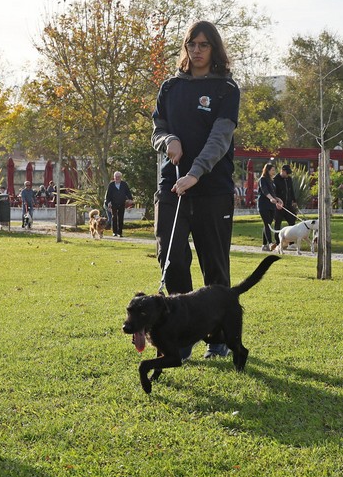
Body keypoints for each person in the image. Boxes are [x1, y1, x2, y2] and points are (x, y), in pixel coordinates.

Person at [152, 20, 240, 361]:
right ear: (185, 48)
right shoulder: (170, 87)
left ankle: (218, 338)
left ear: (214, 49)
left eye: (204, 45)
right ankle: (182, 334)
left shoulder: (226, 89)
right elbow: (158, 128)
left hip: (212, 189)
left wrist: (196, 173)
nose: (198, 50)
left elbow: (220, 139)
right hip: (171, 187)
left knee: (214, 265)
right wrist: (168, 140)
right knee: (171, 258)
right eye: (192, 44)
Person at [257, 163, 282, 249]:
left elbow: (273, 193)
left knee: (268, 224)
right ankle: (270, 243)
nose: (274, 172)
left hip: (271, 205)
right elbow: (265, 191)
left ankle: (264, 245)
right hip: (263, 205)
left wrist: (278, 199)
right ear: (267, 170)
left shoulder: (272, 181)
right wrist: (271, 198)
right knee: (267, 224)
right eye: (272, 170)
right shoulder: (262, 179)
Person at [104, 171, 134, 237]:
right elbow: (108, 195)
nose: (117, 178)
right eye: (116, 177)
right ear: (114, 177)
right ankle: (114, 232)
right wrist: (108, 202)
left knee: (121, 218)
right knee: (114, 218)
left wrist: (130, 199)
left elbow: (128, 193)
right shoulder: (111, 185)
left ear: (120, 177)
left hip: (121, 203)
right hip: (113, 203)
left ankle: (120, 232)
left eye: (118, 177)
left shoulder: (124, 184)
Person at [272, 164, 298, 230]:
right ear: (282, 171)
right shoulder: (275, 180)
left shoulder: (289, 179)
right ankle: (278, 239)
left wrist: (294, 200)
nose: (287, 175)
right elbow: (273, 193)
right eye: (287, 173)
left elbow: (291, 190)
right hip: (279, 205)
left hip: (288, 204)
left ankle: (291, 237)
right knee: (278, 222)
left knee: (292, 220)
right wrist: (276, 202)